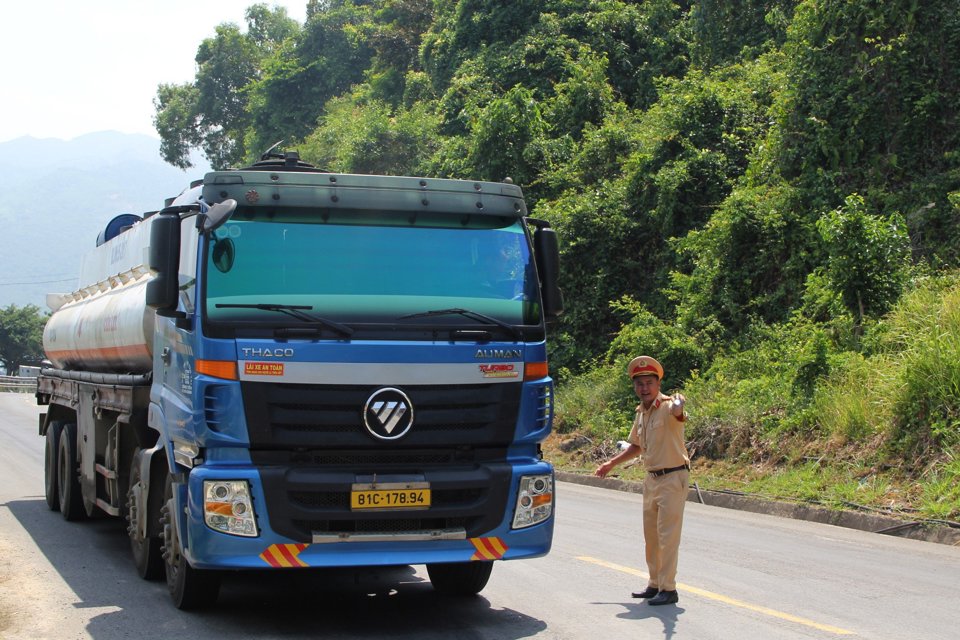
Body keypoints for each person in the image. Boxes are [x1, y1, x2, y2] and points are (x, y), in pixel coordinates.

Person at [595, 355, 690, 606]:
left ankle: (669, 589)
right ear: (635, 387)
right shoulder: (641, 413)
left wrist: (680, 406)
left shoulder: (669, 406)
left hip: (673, 476)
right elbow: (636, 446)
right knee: (652, 536)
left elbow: (679, 413)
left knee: (668, 536)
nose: (644, 388)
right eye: (640, 384)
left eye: (649, 382)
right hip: (652, 479)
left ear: (658, 384)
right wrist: (611, 463)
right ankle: (655, 583)